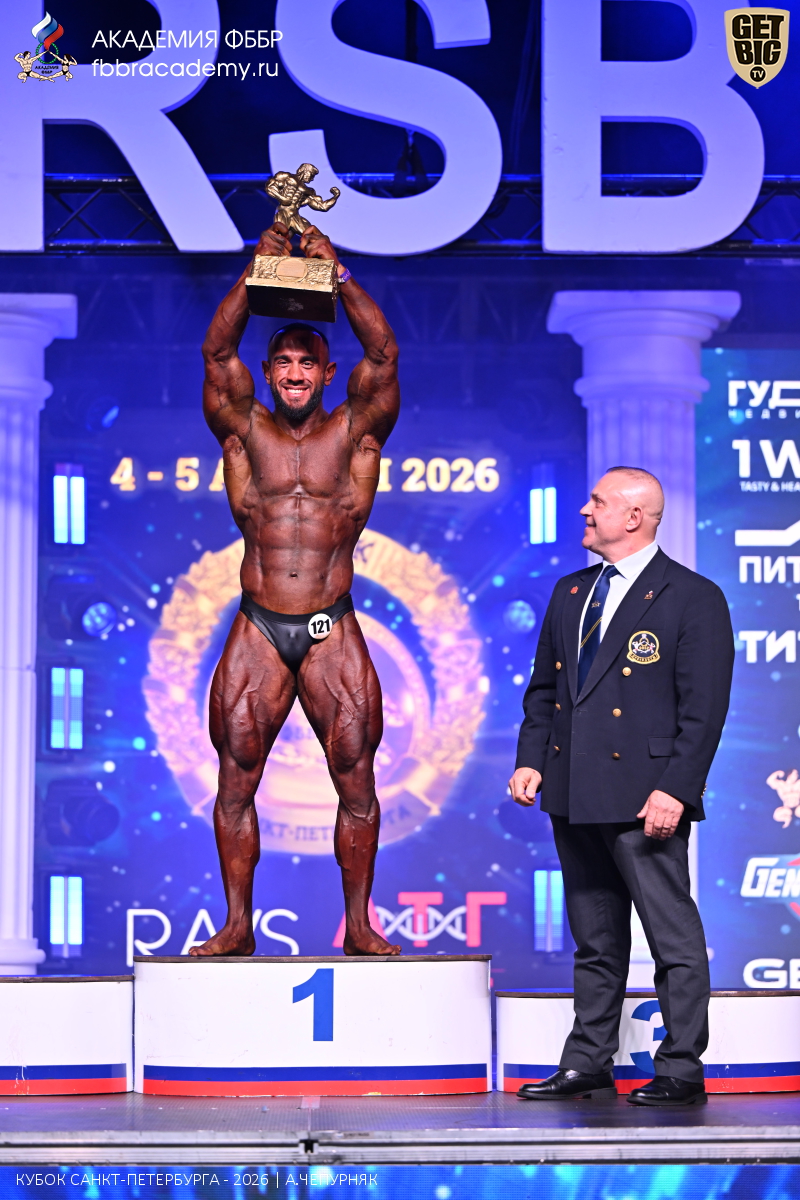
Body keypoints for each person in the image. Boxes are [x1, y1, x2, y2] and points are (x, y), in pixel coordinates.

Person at [195, 219, 401, 958]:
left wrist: (337, 276)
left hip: (329, 624)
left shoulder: (357, 431)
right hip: (259, 622)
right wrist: (256, 275)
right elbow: (216, 352)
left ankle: (360, 924)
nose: (292, 372)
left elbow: (385, 353)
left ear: (326, 371)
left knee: (356, 775)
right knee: (235, 777)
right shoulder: (242, 428)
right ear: (268, 369)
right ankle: (237, 925)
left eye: (305, 362)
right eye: (281, 361)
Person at [509, 467, 734, 1106]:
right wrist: (532, 760)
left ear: (634, 517)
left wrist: (677, 789)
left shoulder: (693, 597)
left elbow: (704, 712)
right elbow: (545, 691)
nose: (585, 510)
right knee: (595, 940)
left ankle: (681, 1068)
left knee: (672, 939)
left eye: (598, 502)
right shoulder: (570, 591)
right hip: (573, 790)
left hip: (646, 797)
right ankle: (588, 1062)